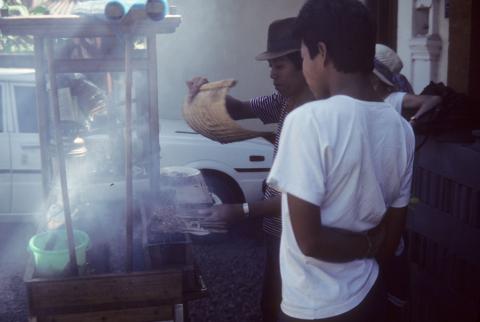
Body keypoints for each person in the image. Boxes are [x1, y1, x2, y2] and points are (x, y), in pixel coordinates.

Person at [266, 1, 415, 321]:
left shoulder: (308, 121)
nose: (305, 68)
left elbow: (310, 240)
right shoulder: (401, 129)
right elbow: (390, 241)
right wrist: (371, 244)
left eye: (303, 57)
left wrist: (366, 246)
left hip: (314, 308)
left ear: (322, 53)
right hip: (369, 294)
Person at [186, 18, 314, 322]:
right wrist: (207, 94)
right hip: (275, 230)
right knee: (270, 303)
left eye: (279, 66)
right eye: (270, 66)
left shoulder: (315, 117)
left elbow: (305, 199)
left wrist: (241, 210)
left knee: (293, 307)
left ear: (304, 64)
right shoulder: (283, 100)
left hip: (302, 235)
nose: (272, 74)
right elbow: (241, 108)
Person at [372, 43, 442, 123]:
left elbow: (434, 99)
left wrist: (414, 120)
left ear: (376, 79)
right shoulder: (367, 98)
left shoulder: (395, 98)